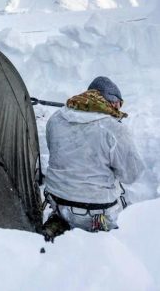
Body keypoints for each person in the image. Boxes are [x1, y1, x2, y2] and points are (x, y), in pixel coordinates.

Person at [42, 76, 144, 240]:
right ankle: (103, 238)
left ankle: (60, 223)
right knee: (127, 207)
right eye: (119, 103)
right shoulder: (113, 129)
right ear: (111, 100)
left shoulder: (56, 118)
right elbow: (131, 174)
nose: (119, 109)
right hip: (98, 210)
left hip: (58, 201)